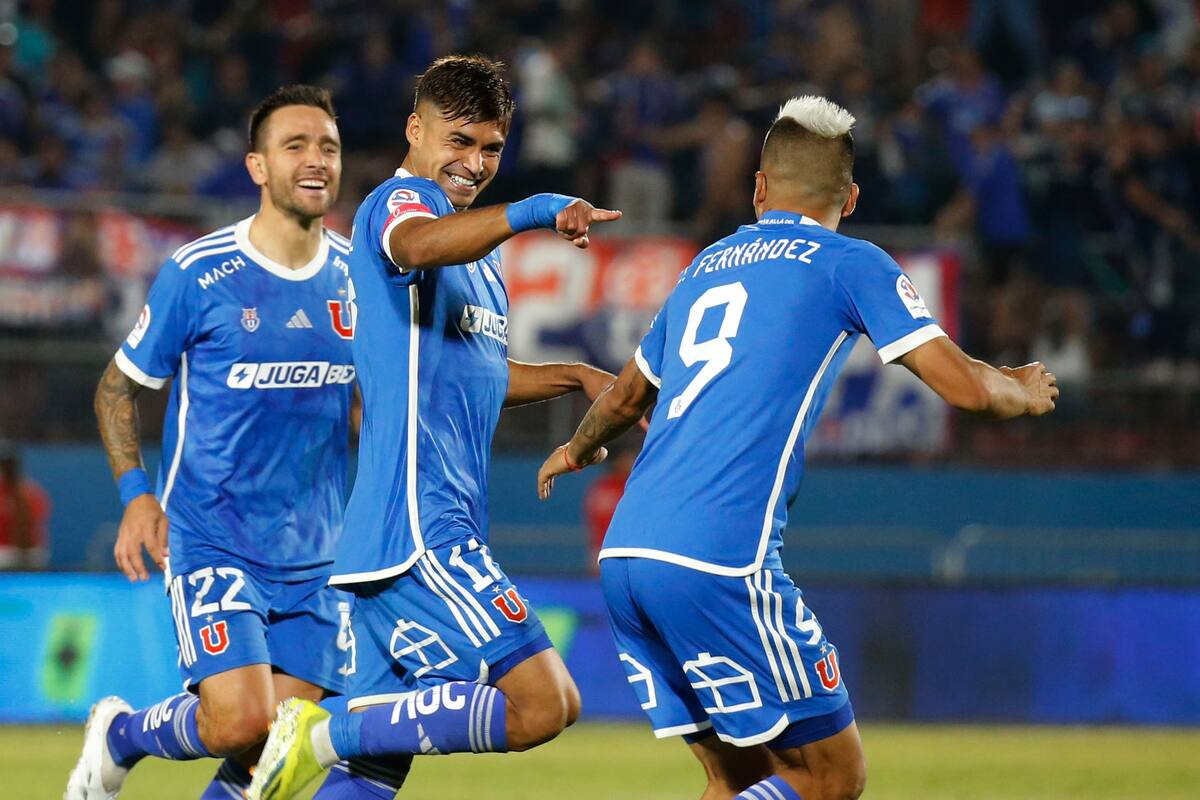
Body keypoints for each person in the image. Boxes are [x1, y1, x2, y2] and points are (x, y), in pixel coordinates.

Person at [536, 95, 1059, 800]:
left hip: (629, 557)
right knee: (832, 778)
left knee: (741, 778)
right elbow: (964, 387)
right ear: (850, 196)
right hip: (718, 559)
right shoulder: (850, 262)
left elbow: (627, 399)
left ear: (758, 188)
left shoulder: (707, 266)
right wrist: (1021, 389)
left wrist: (575, 447)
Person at [246, 54, 621, 800]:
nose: (474, 163)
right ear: (416, 130)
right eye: (459, 140)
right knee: (546, 703)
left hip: (403, 537)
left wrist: (574, 377)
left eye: (490, 147)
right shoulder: (398, 205)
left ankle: (330, 741)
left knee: (368, 782)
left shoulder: (477, 258)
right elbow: (415, 247)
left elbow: (474, 374)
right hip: (422, 529)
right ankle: (317, 732)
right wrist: (536, 207)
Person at [67, 85, 358, 800]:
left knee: (278, 749)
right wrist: (137, 498)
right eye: (296, 146)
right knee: (237, 722)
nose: (316, 160)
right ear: (258, 167)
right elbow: (116, 388)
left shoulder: (360, 277)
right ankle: (121, 737)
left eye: (328, 146)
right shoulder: (201, 273)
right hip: (214, 538)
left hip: (319, 552)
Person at [0, 441, 51, 569]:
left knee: (34, 556)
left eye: (9, 466)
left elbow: (30, 526)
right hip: (3, 551)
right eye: (4, 465)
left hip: (29, 552)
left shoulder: (29, 491)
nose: (7, 470)